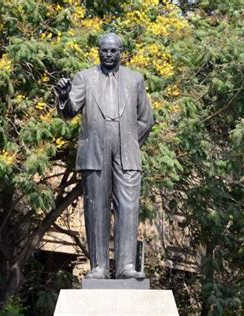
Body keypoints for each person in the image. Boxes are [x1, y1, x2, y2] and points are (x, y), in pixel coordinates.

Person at [55, 33, 154, 279]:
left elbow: (146, 119)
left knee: (129, 207)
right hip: (95, 151)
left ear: (121, 52)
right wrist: (64, 96)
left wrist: (130, 141)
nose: (108, 55)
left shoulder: (135, 80)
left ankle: (126, 267)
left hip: (126, 152)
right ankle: (98, 267)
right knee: (96, 207)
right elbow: (69, 112)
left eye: (113, 51)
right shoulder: (85, 78)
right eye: (104, 50)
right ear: (98, 51)